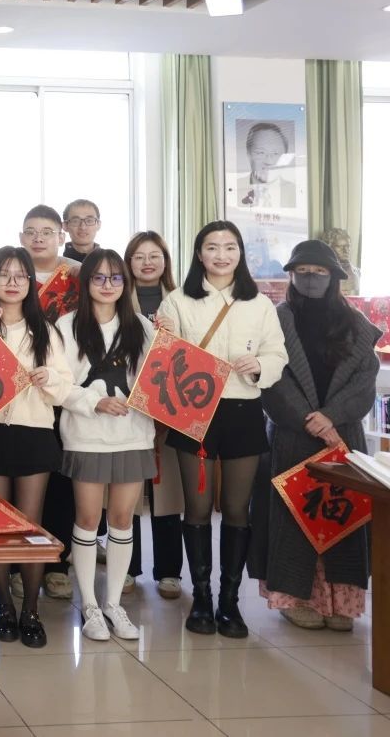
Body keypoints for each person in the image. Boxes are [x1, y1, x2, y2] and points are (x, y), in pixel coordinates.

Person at [158, 220, 287, 638]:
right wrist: (164, 339)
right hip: (193, 412)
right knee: (196, 508)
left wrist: (260, 365)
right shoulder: (178, 300)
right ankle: (202, 598)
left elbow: (277, 353)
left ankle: (229, 602)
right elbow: (162, 357)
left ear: (240, 253)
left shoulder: (259, 304)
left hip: (242, 409)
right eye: (212, 247)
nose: (221, 255)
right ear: (199, 254)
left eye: (230, 247)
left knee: (235, 507)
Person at [254, 240, 377, 631]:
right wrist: (310, 420)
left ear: (334, 277)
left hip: (343, 438)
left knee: (343, 518)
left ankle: (341, 604)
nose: (310, 278)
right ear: (291, 275)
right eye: (302, 272)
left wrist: (331, 417)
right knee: (294, 521)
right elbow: (272, 377)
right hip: (293, 436)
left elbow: (364, 381)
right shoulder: (276, 319)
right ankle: (296, 600)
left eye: (320, 272)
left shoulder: (356, 323)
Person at [0, 246, 72, 649]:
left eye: (20, 276)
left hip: (34, 434)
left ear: (31, 283)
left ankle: (31, 609)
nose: (12, 283)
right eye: (3, 275)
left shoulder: (46, 331)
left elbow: (64, 387)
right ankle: (4, 608)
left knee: (29, 527)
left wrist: (48, 378)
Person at [57, 249, 155, 641]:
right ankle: (90, 605)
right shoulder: (67, 326)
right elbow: (58, 383)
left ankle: (113, 603)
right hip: (86, 435)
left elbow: (157, 380)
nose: (108, 285)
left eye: (116, 278)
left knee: (122, 519)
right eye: (99, 277)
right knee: (86, 519)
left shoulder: (142, 327)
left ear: (125, 283)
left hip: (134, 434)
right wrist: (93, 402)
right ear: (86, 283)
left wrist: (168, 341)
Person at [17, 205, 81, 599]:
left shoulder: (77, 276)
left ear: (61, 235)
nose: (38, 238)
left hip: (66, 387)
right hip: (18, 396)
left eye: (46, 231)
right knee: (18, 483)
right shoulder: (7, 271)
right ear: (21, 236)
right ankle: (15, 564)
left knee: (61, 480)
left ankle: (57, 564)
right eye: (30, 231)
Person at [125, 230, 184, 601]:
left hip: (170, 407)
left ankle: (169, 572)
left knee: (168, 493)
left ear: (165, 261)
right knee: (126, 493)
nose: (147, 263)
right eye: (139, 256)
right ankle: (127, 567)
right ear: (128, 263)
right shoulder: (116, 298)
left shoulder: (182, 300)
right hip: (127, 406)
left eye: (154, 256)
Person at [237, 122, 296, 209]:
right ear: (249, 155)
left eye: (275, 153)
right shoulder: (234, 188)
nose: (269, 161)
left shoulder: (296, 192)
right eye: (261, 152)